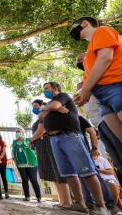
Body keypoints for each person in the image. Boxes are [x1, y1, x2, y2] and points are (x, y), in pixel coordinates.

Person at [41, 81, 109, 214]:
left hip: (70, 137)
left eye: (47, 88)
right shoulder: (51, 104)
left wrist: (52, 107)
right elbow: (41, 115)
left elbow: (54, 105)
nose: (45, 91)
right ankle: (80, 204)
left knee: (87, 172)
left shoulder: (63, 96)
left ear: (55, 88)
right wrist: (50, 108)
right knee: (69, 174)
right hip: (54, 140)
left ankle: (102, 207)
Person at [71, 17, 122, 143]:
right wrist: (81, 95)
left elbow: (105, 58)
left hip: (116, 87)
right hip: (102, 98)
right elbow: (87, 79)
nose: (71, 33)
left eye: (73, 29)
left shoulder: (102, 31)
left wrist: (86, 89)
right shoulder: (89, 53)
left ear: (84, 24)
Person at [76, 53, 122, 182]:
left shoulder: (103, 75)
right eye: (78, 61)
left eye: (82, 59)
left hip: (108, 119)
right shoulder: (83, 82)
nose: (79, 62)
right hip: (99, 124)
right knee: (116, 159)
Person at [29, 99, 72, 209]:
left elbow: (41, 131)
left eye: (35, 105)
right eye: (33, 106)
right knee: (53, 175)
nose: (34, 108)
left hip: (50, 145)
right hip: (43, 148)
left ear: (42, 105)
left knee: (58, 173)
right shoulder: (39, 118)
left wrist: (31, 140)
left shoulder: (45, 115)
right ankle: (61, 200)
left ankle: (67, 201)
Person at [12, 127, 41, 202]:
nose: (18, 133)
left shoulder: (28, 140)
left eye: (19, 131)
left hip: (31, 163)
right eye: (17, 132)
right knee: (24, 180)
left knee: (33, 179)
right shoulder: (14, 142)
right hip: (20, 164)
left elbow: (34, 150)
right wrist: (15, 162)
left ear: (23, 132)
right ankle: (27, 196)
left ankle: (39, 197)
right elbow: (13, 154)